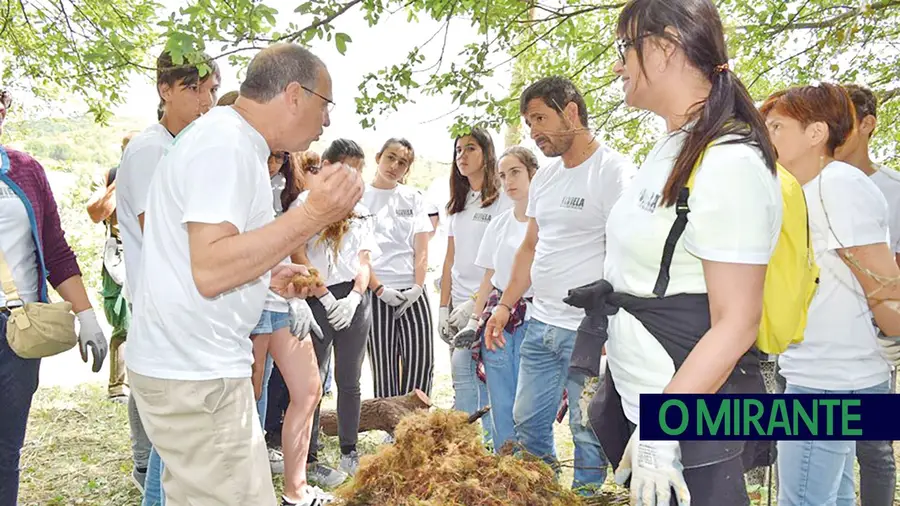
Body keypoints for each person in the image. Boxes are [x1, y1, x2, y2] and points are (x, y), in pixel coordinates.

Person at [125, 43, 364, 506]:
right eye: (325, 104)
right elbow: (211, 270)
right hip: (197, 374)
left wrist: (266, 275)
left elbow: (202, 254)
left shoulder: (232, 141)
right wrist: (313, 214)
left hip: (189, 368)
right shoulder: (226, 144)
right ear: (294, 94)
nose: (328, 121)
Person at [583, 1, 784, 504]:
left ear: (665, 47)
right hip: (647, 396)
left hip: (691, 419)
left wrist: (662, 429)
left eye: (624, 49)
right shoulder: (674, 146)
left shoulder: (729, 161)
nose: (616, 65)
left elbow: (737, 321)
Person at [484, 76, 631, 494]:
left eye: (540, 118)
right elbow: (529, 248)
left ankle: (586, 498)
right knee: (528, 423)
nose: (534, 131)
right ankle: (544, 496)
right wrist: (503, 306)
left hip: (588, 332)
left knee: (588, 432)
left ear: (570, 111)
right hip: (539, 324)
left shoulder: (613, 172)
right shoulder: (545, 179)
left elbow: (629, 253)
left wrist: (611, 326)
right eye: (529, 122)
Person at [762, 83, 900, 506]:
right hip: (824, 372)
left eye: (777, 126)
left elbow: (883, 284)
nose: (767, 136)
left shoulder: (838, 185)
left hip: (831, 380)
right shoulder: (802, 189)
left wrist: (894, 336)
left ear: (816, 133)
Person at [116, 49, 220, 498]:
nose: (206, 100)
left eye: (211, 89)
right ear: (164, 91)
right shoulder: (149, 150)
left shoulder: (185, 147)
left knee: (185, 438)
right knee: (173, 438)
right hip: (164, 312)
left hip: (187, 309)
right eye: (193, 88)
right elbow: (162, 234)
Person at [1, 88, 109, 503]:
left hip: (19, 330)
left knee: (6, 451)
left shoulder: (27, 170)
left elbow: (56, 250)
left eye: (1, 99)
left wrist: (88, 317)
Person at [292, 138, 376, 482]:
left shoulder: (361, 206)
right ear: (327, 166)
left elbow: (364, 258)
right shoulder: (304, 202)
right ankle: (309, 456)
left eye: (358, 170)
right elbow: (298, 252)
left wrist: (355, 295)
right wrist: (324, 296)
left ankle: (348, 449)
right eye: (347, 169)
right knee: (313, 380)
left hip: (353, 298)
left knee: (349, 380)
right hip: (317, 295)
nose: (353, 177)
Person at [834, 83, 899, 506]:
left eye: (843, 118)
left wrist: (891, 330)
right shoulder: (804, 185)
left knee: (873, 446)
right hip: (815, 343)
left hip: (876, 343)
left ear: (867, 124)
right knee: (821, 446)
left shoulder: (893, 188)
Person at [456, 145, 538, 451]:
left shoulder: (547, 222)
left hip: (536, 316)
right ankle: (506, 463)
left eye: (516, 172)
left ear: (533, 173)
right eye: (503, 175)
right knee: (501, 399)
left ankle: (538, 467)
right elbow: (489, 277)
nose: (509, 181)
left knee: (529, 404)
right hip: (499, 320)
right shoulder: (500, 224)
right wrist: (475, 320)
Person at [439, 127, 507, 443]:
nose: (462, 156)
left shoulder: (501, 200)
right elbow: (450, 259)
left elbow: (500, 261)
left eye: (470, 149)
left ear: (486, 154)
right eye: (457, 151)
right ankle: (469, 449)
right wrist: (443, 307)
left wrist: (475, 306)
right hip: (458, 307)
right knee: (463, 380)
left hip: (489, 304)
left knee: (477, 377)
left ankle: (486, 448)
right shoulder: (458, 201)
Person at [364, 138, 435, 399]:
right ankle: (389, 423)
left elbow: (422, 247)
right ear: (378, 157)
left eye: (402, 162)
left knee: (421, 357)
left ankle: (417, 423)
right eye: (390, 157)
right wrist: (379, 288)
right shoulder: (360, 197)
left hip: (412, 290)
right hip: (376, 290)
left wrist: (417, 286)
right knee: (384, 362)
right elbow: (357, 253)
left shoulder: (413, 198)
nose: (394, 165)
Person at [86, 131, 137, 403]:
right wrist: (120, 182)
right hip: (118, 251)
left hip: (149, 251)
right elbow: (96, 213)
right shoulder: (110, 176)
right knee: (122, 319)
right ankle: (118, 386)